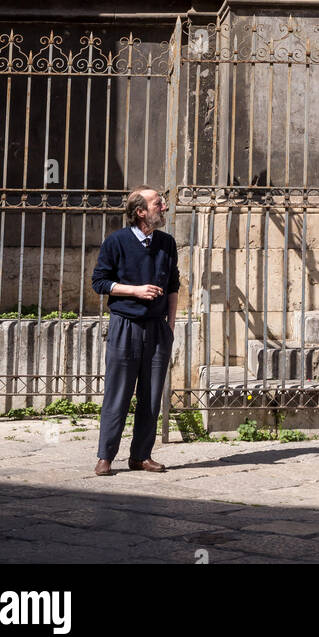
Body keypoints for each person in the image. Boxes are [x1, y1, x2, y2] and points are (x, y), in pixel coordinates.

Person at [92, 186, 179, 476]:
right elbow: (100, 282)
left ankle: (141, 455)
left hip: (157, 330)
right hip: (124, 326)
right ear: (141, 212)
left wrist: (170, 325)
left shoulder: (167, 243)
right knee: (118, 394)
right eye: (158, 203)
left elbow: (173, 287)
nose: (164, 207)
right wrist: (135, 291)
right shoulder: (116, 242)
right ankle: (106, 456)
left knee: (151, 396)